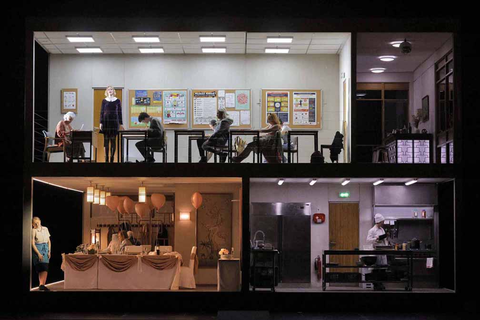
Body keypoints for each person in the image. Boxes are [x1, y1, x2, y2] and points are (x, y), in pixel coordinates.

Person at [100, 86, 124, 163]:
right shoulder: (104, 101)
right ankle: (106, 158)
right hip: (106, 122)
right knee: (106, 141)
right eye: (108, 89)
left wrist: (120, 123)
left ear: (114, 91)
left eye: (111, 89)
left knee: (113, 141)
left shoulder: (117, 101)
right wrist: (101, 122)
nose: (110, 91)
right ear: (106, 91)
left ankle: (112, 158)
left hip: (114, 122)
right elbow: (101, 112)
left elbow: (120, 112)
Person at [366, 213, 388, 290]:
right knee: (376, 269)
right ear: (379, 221)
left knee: (382, 269)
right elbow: (368, 240)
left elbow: (384, 240)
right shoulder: (372, 230)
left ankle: (380, 284)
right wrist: (376, 239)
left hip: (383, 251)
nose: (383, 223)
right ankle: (376, 285)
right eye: (382, 221)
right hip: (376, 252)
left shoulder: (382, 230)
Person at [32, 217, 51, 291]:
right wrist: (38, 253)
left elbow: (49, 241)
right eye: (35, 223)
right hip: (38, 248)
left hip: (45, 247)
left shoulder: (45, 229)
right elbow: (33, 243)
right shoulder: (33, 230)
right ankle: (41, 284)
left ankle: (42, 284)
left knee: (45, 266)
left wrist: (49, 251)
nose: (37, 224)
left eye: (38, 222)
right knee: (40, 267)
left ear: (40, 221)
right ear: (32, 224)